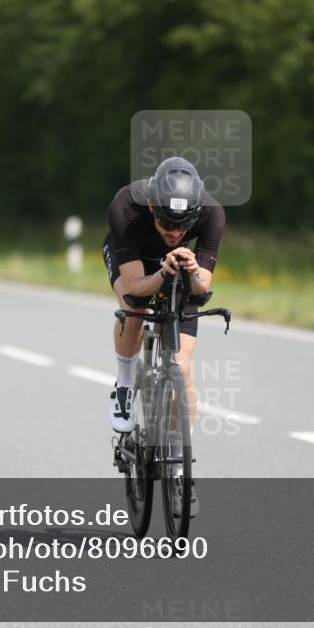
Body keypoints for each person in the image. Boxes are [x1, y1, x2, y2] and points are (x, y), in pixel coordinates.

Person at [102, 156, 226, 514]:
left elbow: (202, 289)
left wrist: (189, 271)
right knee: (136, 311)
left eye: (181, 226)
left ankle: (177, 460)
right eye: (165, 223)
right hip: (136, 260)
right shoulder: (126, 205)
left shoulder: (212, 214)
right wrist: (162, 273)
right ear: (152, 206)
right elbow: (134, 290)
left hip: (179, 269)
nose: (173, 233)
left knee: (182, 368)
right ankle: (125, 382)